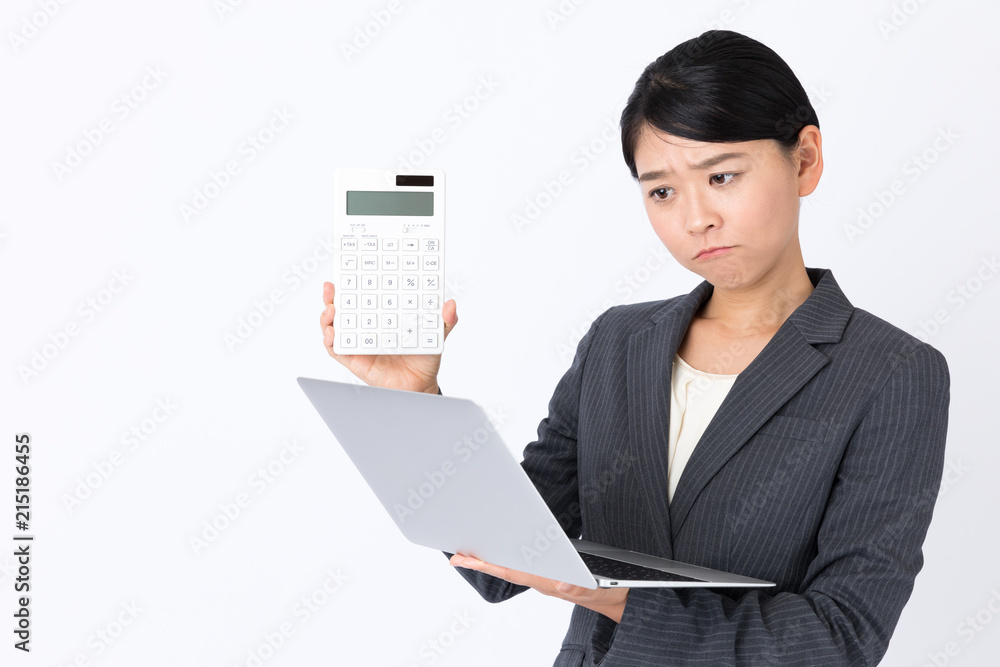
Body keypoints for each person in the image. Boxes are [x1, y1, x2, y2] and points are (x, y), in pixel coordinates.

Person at [319, 29, 950, 667]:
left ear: (805, 158)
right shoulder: (619, 342)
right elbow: (499, 562)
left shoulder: (892, 373)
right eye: (662, 191)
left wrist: (613, 597)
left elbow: (840, 639)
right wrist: (416, 402)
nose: (696, 217)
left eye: (723, 175)